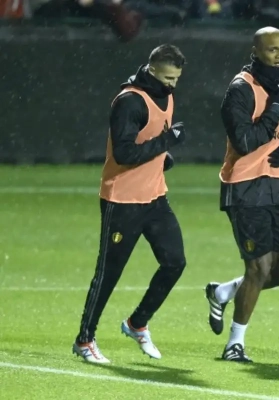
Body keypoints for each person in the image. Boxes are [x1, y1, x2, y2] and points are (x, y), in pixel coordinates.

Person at [72, 44, 188, 364]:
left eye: (177, 79)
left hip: (155, 197)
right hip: (122, 200)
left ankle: (137, 323)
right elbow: (124, 153)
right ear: (151, 70)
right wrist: (167, 142)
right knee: (108, 273)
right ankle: (84, 340)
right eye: (168, 78)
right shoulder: (130, 101)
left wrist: (163, 157)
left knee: (175, 262)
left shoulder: (166, 95)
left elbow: (147, 142)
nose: (173, 85)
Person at [205, 26, 279, 362]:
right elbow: (245, 141)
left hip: (278, 186)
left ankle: (223, 291)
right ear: (256, 51)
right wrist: (273, 110)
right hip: (245, 185)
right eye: (272, 49)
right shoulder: (240, 89)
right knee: (259, 269)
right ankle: (235, 345)